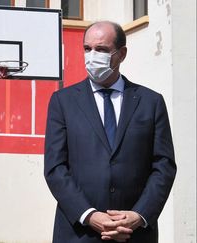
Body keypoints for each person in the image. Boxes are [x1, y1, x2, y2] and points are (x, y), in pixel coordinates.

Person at [44, 21, 176, 243]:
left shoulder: (150, 102)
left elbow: (163, 164)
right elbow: (55, 168)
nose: (92, 56)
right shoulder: (63, 102)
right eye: (87, 48)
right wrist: (89, 215)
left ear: (121, 54)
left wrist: (139, 214)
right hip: (79, 233)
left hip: (135, 234)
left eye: (102, 49)